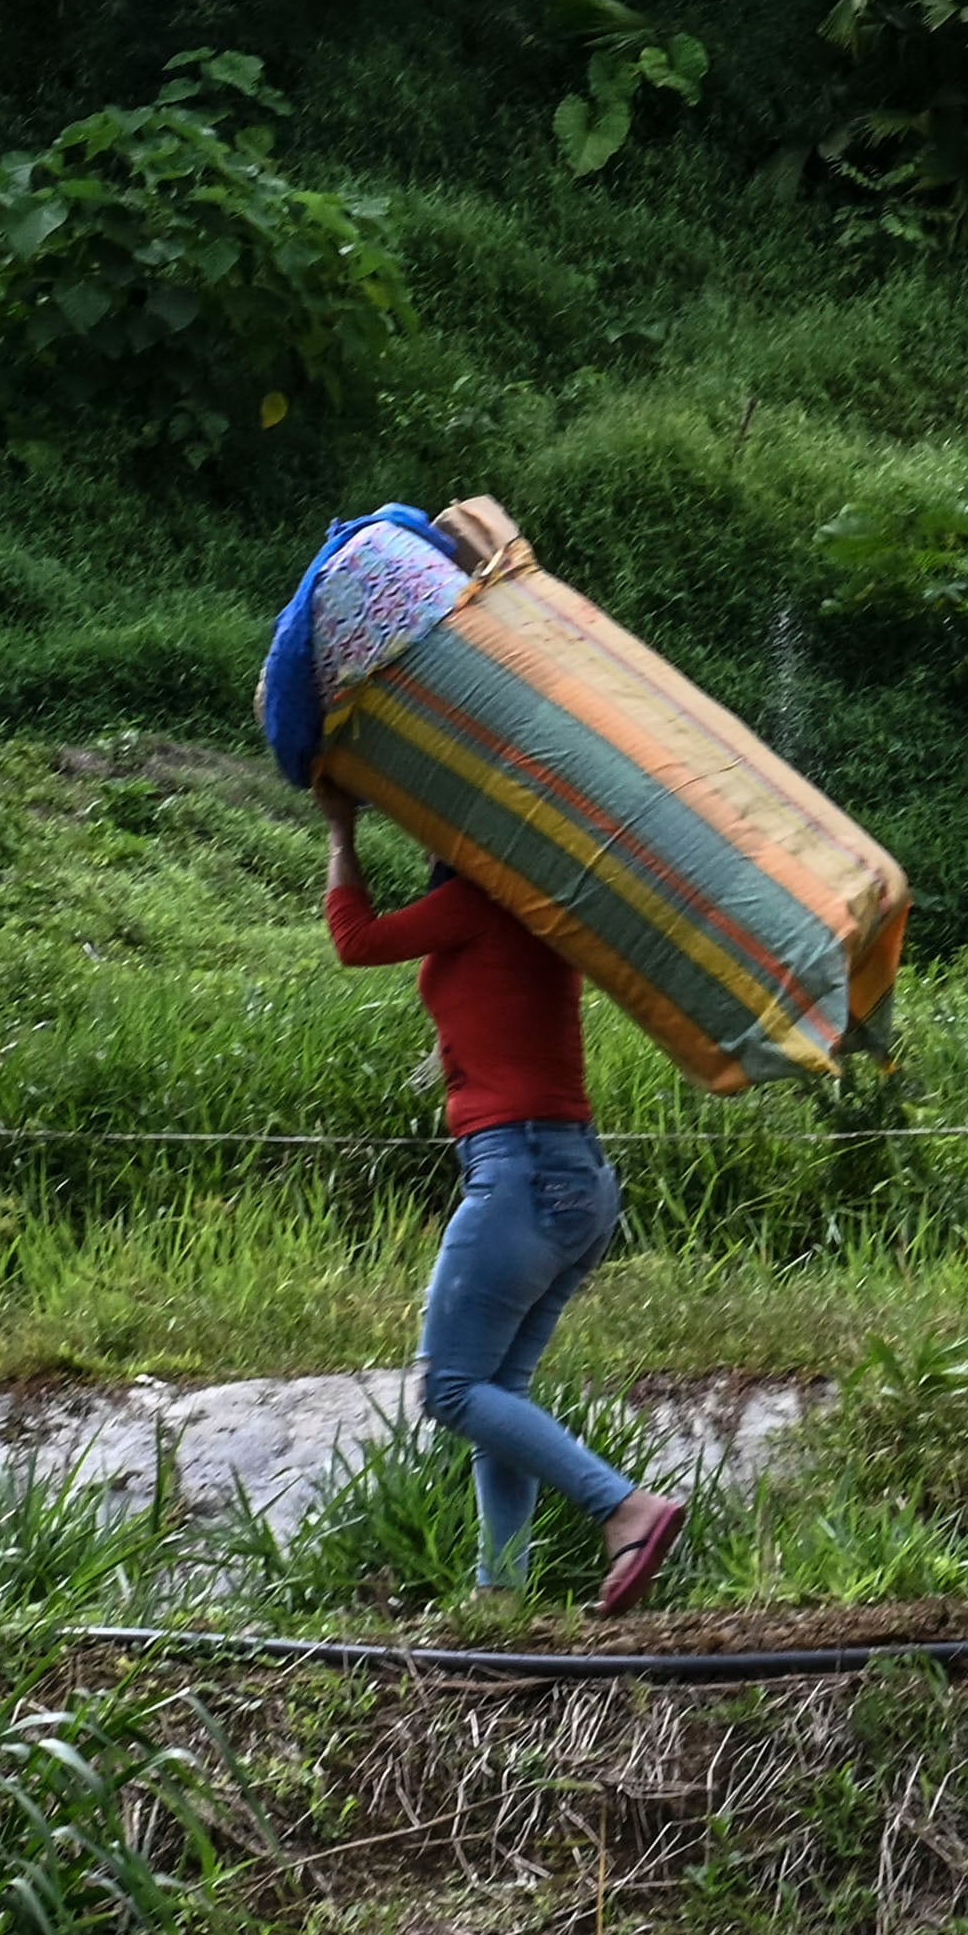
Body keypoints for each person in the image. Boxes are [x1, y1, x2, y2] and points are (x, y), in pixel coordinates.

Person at [284, 513, 687, 1614]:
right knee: (498, 1387)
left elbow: (353, 939)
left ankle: (624, 1509)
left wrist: (338, 828)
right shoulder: (538, 904)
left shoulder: (471, 901)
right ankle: (499, 1593)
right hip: (577, 1183)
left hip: (519, 1173)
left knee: (450, 1389)